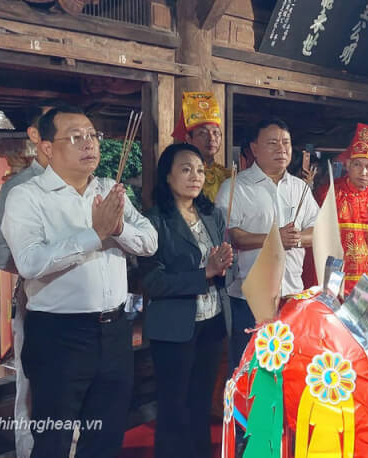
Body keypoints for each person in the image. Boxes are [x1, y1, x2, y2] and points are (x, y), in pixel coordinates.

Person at [1, 105, 158, 457]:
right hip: (59, 336)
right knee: (53, 439)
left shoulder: (108, 189)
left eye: (92, 135)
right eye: (75, 137)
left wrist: (117, 228)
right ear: (46, 148)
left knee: (106, 434)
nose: (89, 144)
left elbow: (150, 243)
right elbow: (29, 262)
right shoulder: (27, 196)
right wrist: (95, 234)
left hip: (115, 330)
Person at [139, 143, 233, 458]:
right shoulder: (153, 221)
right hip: (174, 327)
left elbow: (219, 269)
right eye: (185, 169)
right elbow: (152, 281)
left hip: (212, 321)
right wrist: (204, 273)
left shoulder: (213, 214)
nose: (195, 176)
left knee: (201, 402)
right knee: (173, 406)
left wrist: (223, 265)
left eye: (200, 170)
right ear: (167, 176)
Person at [0, 101, 61, 458]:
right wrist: (35, 265)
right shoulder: (19, 187)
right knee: (32, 386)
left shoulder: (89, 183)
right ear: (38, 138)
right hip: (36, 300)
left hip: (85, 312)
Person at [215, 118, 319, 371]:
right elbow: (232, 235)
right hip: (248, 299)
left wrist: (295, 238)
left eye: (286, 143)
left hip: (292, 296)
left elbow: (316, 231)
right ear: (254, 148)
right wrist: (275, 240)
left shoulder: (299, 187)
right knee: (247, 368)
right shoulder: (235, 187)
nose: (281, 149)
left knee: (288, 370)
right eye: (272, 143)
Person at [316, 123, 368, 303]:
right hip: (334, 281)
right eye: (357, 164)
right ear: (348, 164)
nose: (363, 172)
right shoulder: (329, 193)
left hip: (363, 282)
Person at [173, 91, 231, 202]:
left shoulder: (227, 176)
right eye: (203, 133)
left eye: (216, 133)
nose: (211, 138)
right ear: (189, 139)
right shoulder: (181, 174)